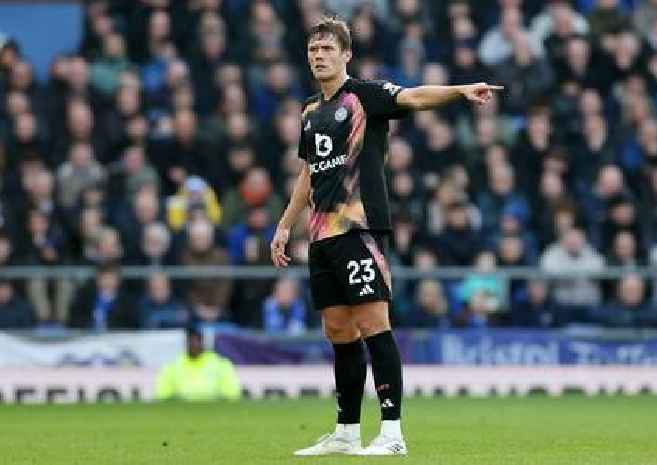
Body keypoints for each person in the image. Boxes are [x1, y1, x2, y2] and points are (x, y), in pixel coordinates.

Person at [269, 16, 502, 457]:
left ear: (346, 55)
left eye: (327, 49)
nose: (319, 56)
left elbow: (413, 96)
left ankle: (392, 432)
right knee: (338, 330)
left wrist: (458, 91)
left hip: (361, 228)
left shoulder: (365, 96)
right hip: (322, 235)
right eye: (313, 50)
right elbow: (308, 174)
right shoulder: (309, 111)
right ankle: (346, 431)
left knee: (374, 324)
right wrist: (285, 225)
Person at [155, 326, 241, 401]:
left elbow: (232, 394)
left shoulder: (221, 364)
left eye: (197, 340)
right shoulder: (172, 366)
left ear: (203, 342)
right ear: (185, 343)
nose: (194, 344)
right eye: (191, 341)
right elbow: (162, 396)